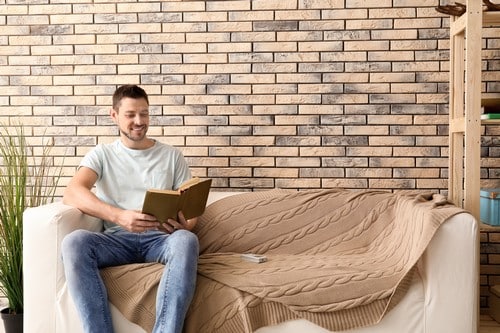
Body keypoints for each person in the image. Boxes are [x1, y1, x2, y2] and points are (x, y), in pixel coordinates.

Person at [61, 84, 199, 333]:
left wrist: (183, 224)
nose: (139, 121)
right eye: (131, 114)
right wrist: (119, 216)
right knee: (74, 242)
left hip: (160, 239)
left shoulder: (172, 156)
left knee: (186, 240)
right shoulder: (101, 154)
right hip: (116, 241)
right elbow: (72, 192)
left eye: (144, 113)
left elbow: (191, 213)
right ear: (114, 115)